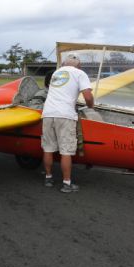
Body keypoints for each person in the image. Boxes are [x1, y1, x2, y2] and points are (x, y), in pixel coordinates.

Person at [41, 55, 94, 193]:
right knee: (66, 151)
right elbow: (88, 96)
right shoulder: (80, 73)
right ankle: (66, 183)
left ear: (64, 64)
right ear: (79, 65)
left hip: (47, 113)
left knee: (48, 148)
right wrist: (91, 106)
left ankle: (48, 178)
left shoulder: (56, 73)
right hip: (65, 115)